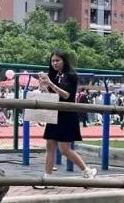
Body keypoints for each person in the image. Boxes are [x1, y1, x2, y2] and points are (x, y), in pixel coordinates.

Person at [39, 51, 96, 180]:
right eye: (52, 61)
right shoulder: (54, 75)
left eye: (57, 60)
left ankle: (87, 171)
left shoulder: (70, 75)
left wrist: (50, 83)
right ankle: (48, 178)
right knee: (50, 146)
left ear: (64, 61)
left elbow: (66, 95)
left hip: (67, 115)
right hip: (54, 113)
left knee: (64, 149)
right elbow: (52, 95)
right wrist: (44, 86)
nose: (54, 63)